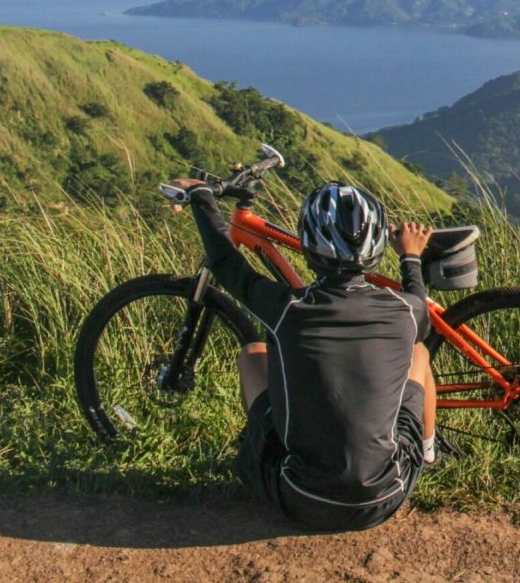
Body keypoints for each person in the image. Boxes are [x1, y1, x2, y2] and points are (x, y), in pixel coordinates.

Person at [169, 176, 437, 532]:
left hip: (301, 498)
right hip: (385, 497)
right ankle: (428, 452)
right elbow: (419, 302)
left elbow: (224, 260)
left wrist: (202, 196)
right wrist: (410, 256)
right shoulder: (407, 311)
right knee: (419, 352)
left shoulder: (286, 308)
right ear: (376, 247)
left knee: (252, 354)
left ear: (308, 246)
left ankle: (263, 447)